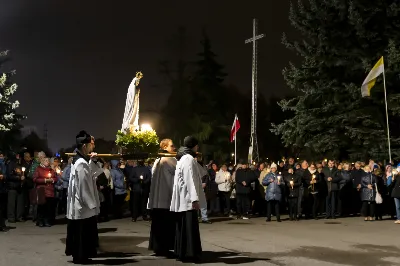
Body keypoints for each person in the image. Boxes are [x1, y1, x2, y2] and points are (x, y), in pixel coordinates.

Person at [65, 131, 102, 264]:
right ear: (84, 146)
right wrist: (92, 204)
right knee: (82, 232)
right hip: (83, 205)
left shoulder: (81, 161)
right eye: (91, 145)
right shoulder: (80, 163)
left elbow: (91, 175)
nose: (93, 147)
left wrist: (93, 161)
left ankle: (82, 255)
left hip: (82, 205)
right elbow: (83, 187)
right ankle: (80, 256)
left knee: (83, 232)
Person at [170, 136, 206, 262]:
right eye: (197, 145)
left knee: (183, 226)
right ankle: (190, 253)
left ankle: (182, 252)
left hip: (183, 198)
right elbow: (190, 179)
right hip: (187, 199)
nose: (198, 147)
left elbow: (200, 173)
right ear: (193, 146)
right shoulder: (188, 159)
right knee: (189, 227)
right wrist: (194, 199)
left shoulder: (183, 158)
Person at [148, 138, 177, 256]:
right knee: (166, 225)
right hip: (167, 197)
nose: (174, 148)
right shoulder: (169, 159)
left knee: (158, 224)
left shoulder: (157, 160)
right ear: (164, 147)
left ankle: (158, 247)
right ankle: (165, 247)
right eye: (172, 146)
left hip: (157, 199)